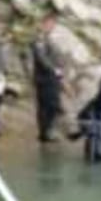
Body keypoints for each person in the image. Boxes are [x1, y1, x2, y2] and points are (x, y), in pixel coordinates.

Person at [31, 12, 64, 143]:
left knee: (49, 104)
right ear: (43, 24)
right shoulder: (39, 38)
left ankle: (46, 132)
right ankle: (46, 132)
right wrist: (54, 69)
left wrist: (60, 69)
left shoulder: (48, 38)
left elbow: (55, 56)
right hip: (44, 77)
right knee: (49, 104)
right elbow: (41, 58)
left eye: (53, 24)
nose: (51, 26)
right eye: (49, 24)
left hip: (51, 76)